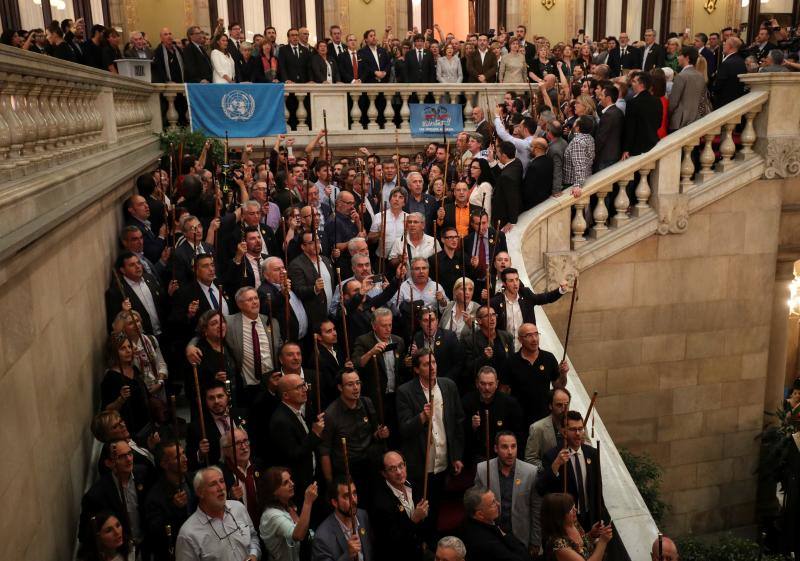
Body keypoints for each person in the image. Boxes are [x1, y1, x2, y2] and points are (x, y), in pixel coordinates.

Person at [396, 349, 464, 544]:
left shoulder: (448, 386)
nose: (432, 367)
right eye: (426, 364)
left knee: (436, 508)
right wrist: (421, 418)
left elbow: (458, 421)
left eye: (433, 362)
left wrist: (457, 456)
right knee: (421, 508)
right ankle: (420, 544)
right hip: (420, 463)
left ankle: (433, 545)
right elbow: (403, 429)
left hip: (443, 459)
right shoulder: (405, 392)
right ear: (417, 369)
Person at [320, 369, 388, 492]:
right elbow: (325, 452)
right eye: (350, 385)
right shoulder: (330, 414)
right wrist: (329, 483)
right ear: (340, 387)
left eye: (358, 383)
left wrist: (380, 434)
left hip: (371, 463)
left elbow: (374, 433)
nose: (356, 388)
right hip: (348, 469)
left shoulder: (367, 402)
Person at [474, 431, 542, 555]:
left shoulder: (531, 472)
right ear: (496, 448)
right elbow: (477, 508)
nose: (510, 452)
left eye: (513, 446)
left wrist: (536, 541)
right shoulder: (483, 470)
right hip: (493, 539)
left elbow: (536, 509)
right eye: (504, 447)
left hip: (521, 538)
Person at [175, 466, 261, 560]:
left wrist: (253, 555)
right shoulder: (188, 534)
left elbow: (253, 536)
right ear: (200, 493)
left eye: (222, 481)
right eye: (213, 484)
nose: (220, 488)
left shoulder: (238, 507)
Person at [80, 440, 148, 556]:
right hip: (119, 552)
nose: (129, 459)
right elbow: (85, 535)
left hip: (145, 545)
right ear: (109, 463)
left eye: (130, 454)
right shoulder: (96, 495)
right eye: (121, 457)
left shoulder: (144, 474)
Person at [538, 411, 604, 530]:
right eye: (573, 429)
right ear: (563, 431)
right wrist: (556, 464)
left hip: (590, 518)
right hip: (565, 521)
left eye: (581, 429)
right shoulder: (552, 456)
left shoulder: (592, 453)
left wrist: (602, 517)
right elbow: (541, 488)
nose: (578, 433)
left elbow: (597, 488)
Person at [504, 322, 568, 427]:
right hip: (519, 418)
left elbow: (559, 386)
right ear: (520, 339)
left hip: (544, 418)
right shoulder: (511, 361)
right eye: (529, 336)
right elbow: (504, 391)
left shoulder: (548, 358)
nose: (534, 339)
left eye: (536, 334)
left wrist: (563, 374)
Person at [370, 451, 430, 561]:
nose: (399, 472)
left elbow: (424, 521)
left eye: (401, 465)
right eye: (392, 469)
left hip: (418, 550)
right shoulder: (380, 503)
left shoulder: (415, 486)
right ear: (384, 473)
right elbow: (392, 540)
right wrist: (413, 520)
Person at [462, 366, 526, 461]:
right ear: (477, 383)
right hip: (475, 457)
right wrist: (472, 426)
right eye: (483, 384)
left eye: (490, 384)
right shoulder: (467, 401)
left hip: (502, 457)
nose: (486, 388)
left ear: (497, 384)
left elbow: (519, 434)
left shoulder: (510, 404)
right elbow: (459, 433)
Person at [144, 440, 193, 561]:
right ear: (164, 464)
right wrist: (174, 508)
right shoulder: (155, 497)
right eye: (178, 457)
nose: (184, 459)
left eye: (183, 453)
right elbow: (157, 533)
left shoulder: (192, 480)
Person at [258, 467, 318, 561]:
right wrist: (308, 502)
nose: (292, 484)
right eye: (285, 483)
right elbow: (298, 535)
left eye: (290, 479)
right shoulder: (271, 515)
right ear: (273, 491)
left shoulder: (289, 504)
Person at [101, 333, 152, 439]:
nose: (128, 351)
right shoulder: (111, 378)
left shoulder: (134, 369)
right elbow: (107, 410)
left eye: (129, 347)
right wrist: (121, 399)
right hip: (129, 430)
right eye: (122, 348)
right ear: (114, 352)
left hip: (146, 424)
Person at [458, 486, 529, 561]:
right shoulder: (484, 542)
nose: (498, 504)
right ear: (480, 514)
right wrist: (505, 536)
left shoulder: (490, 520)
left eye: (495, 500)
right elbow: (522, 557)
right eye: (493, 503)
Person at [312, 478, 374, 561]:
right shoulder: (322, 537)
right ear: (335, 502)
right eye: (347, 496)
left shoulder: (363, 516)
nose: (353, 500)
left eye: (354, 494)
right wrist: (347, 555)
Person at [540, 493, 612, 561]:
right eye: (571, 510)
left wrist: (592, 534)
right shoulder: (559, 546)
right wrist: (603, 541)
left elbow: (580, 545)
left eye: (574, 506)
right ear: (558, 516)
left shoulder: (572, 523)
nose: (576, 510)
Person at [525, 388, 571, 470]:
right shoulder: (538, 428)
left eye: (566, 404)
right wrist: (551, 467)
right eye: (559, 405)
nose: (564, 408)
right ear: (550, 406)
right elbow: (530, 459)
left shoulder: (577, 423)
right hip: (551, 478)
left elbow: (587, 447)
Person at [621, 72, 662, 160]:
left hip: (637, 148)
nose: (632, 84)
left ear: (642, 84)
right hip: (653, 143)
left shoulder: (632, 103)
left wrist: (626, 149)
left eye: (634, 81)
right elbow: (658, 123)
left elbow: (630, 128)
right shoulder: (657, 101)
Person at [669, 46, 706, 131]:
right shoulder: (700, 76)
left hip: (679, 121)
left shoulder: (681, 76)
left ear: (687, 58)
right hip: (695, 120)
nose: (677, 58)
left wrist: (669, 116)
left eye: (679, 55)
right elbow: (702, 100)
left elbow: (673, 103)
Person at [492, 141, 523, 232]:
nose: (496, 154)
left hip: (503, 217)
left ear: (504, 156)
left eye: (497, 152)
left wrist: (512, 221)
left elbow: (512, 199)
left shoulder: (507, 176)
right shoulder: (517, 162)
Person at [593, 84, 624, 172]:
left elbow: (601, 138)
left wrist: (594, 153)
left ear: (608, 98)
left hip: (606, 157)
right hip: (613, 155)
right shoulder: (618, 111)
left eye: (602, 95)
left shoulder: (609, 115)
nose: (599, 97)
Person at [711, 37, 746, 108]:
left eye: (725, 44)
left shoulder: (727, 63)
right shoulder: (741, 61)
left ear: (730, 46)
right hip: (737, 100)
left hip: (723, 101)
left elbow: (719, 83)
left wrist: (713, 91)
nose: (723, 46)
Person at [562, 116, 595, 190]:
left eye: (575, 122)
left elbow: (579, 164)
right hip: (586, 177)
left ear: (578, 127)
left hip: (572, 182)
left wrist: (577, 185)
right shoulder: (590, 137)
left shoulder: (578, 141)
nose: (573, 124)